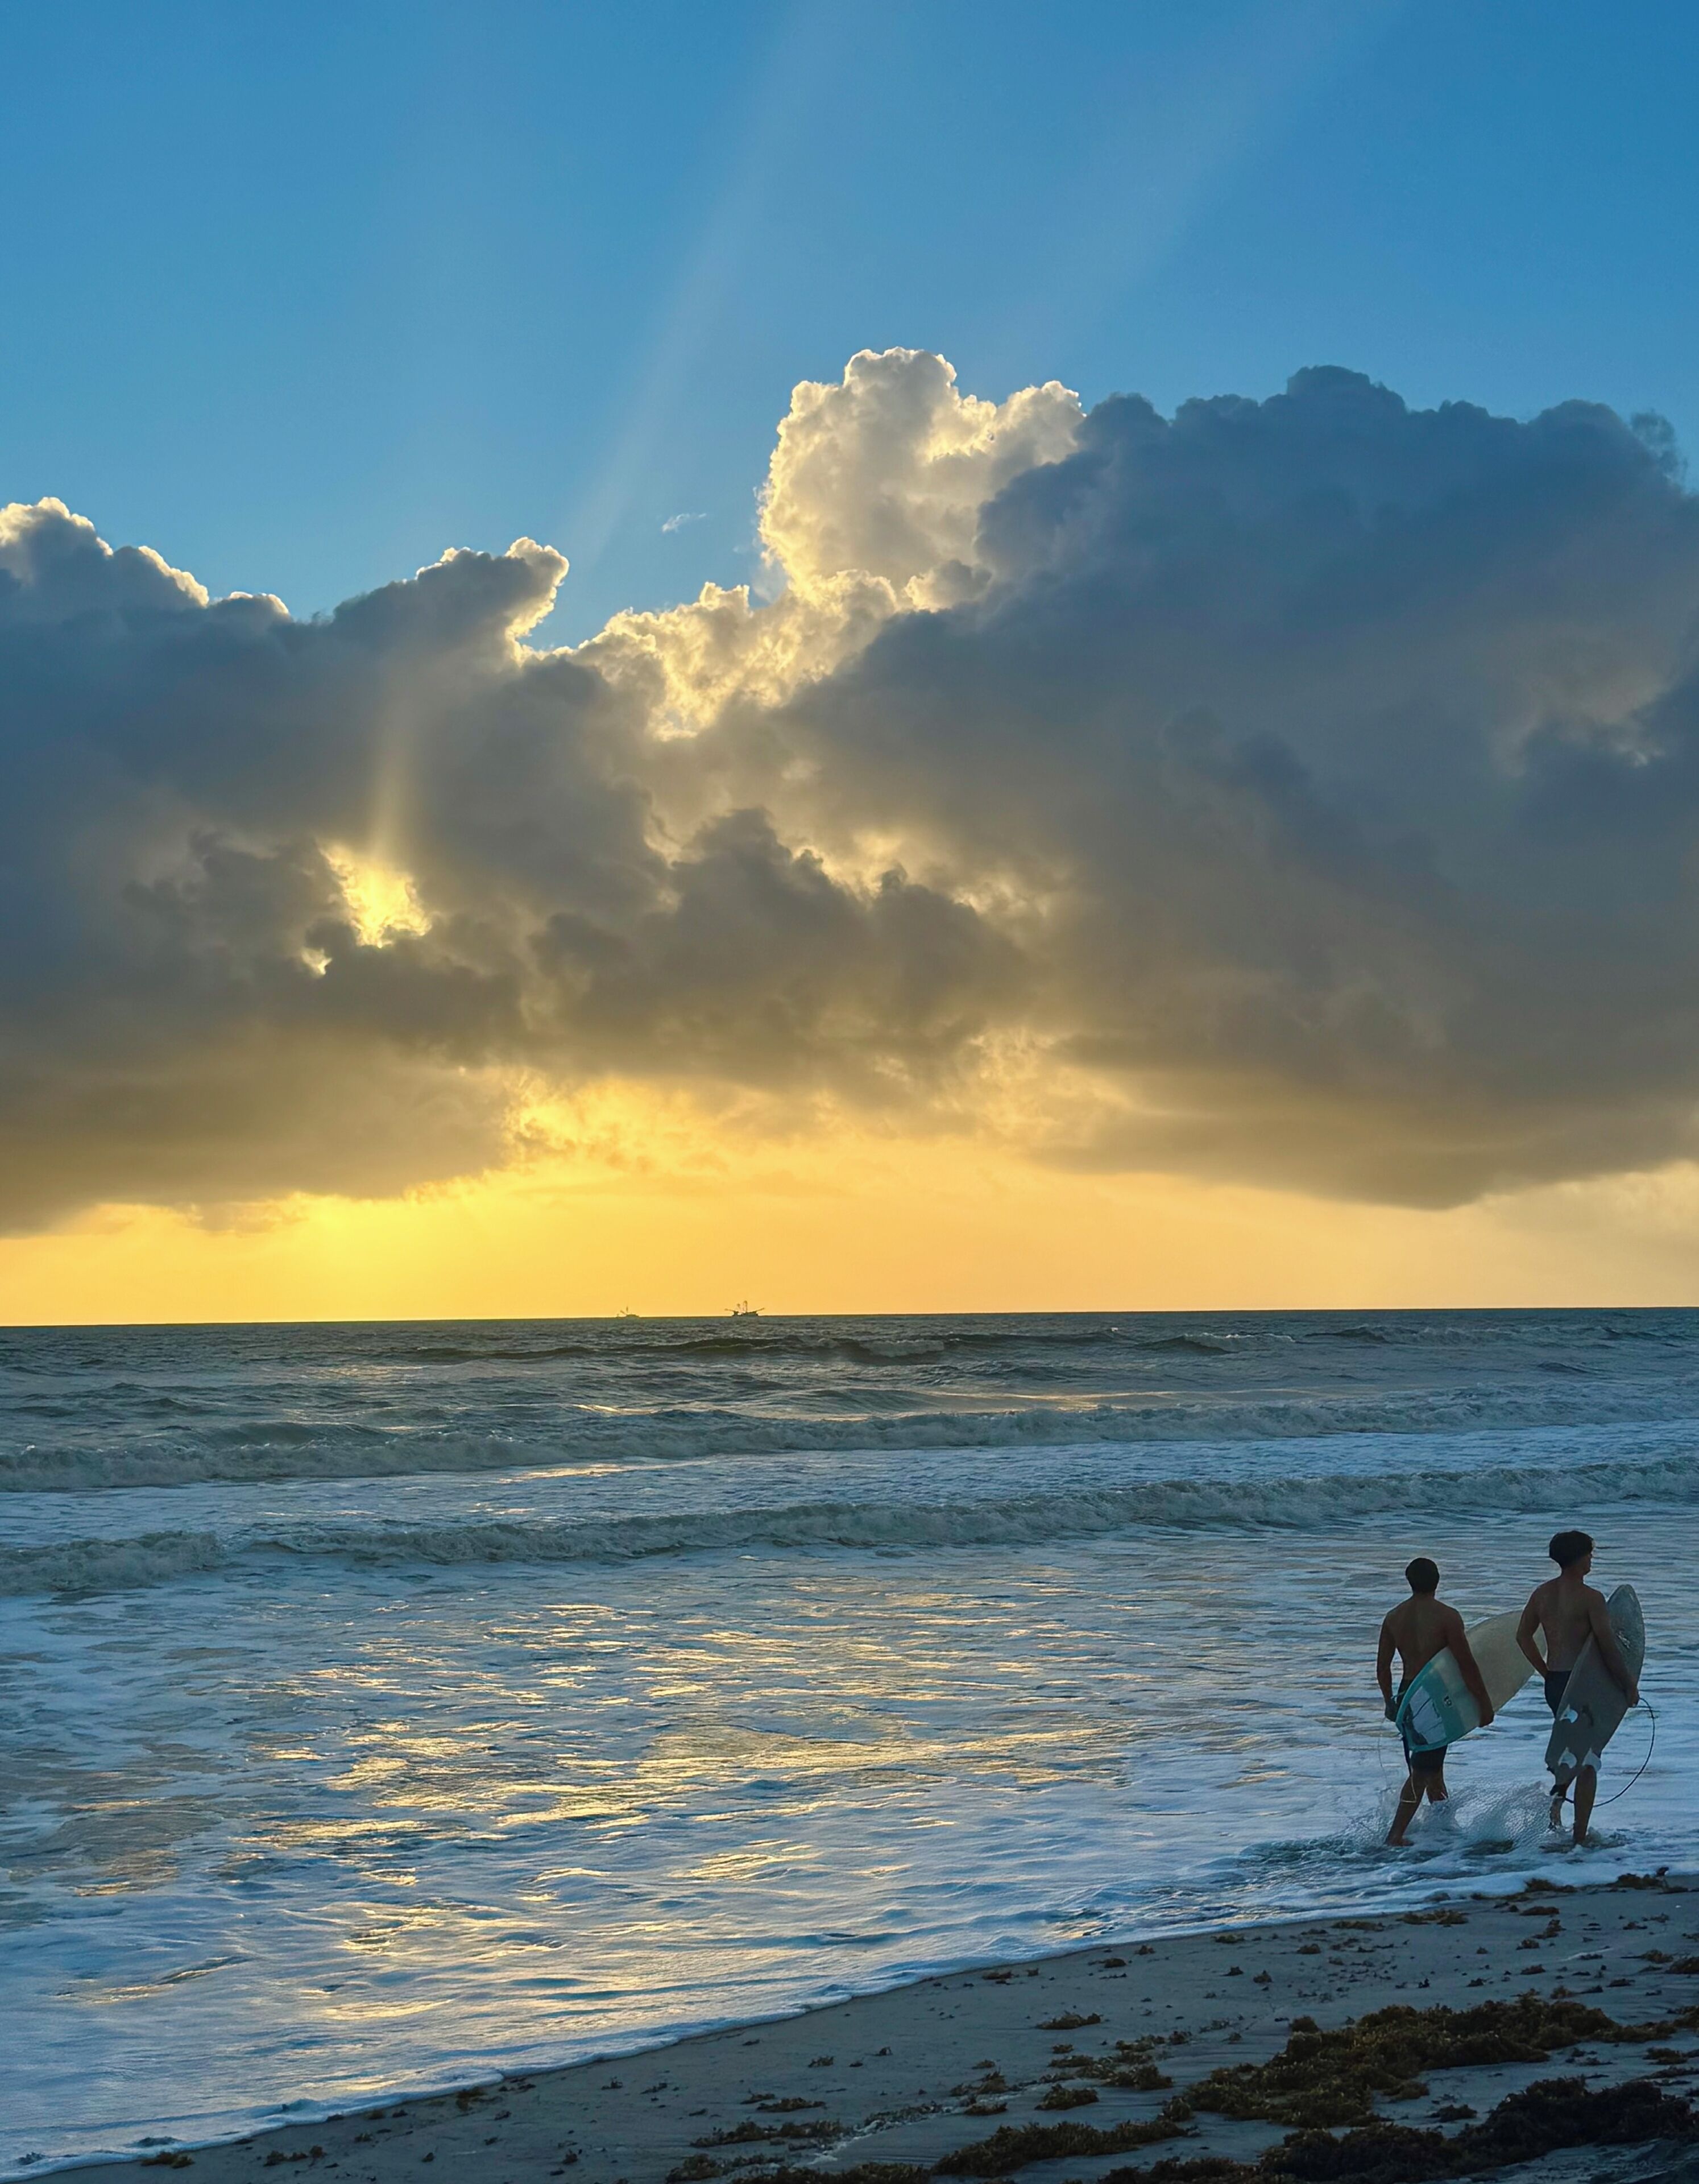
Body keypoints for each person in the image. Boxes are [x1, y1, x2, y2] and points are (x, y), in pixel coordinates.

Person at [1516, 1529, 1638, 1846]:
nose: (1591, 1560)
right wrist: (1628, 1684)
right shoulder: (1591, 1598)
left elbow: (1522, 1637)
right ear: (1578, 1558)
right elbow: (1608, 1647)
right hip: (1585, 1686)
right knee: (1589, 1760)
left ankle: (1555, 1811)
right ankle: (1580, 1837)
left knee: (1572, 1748)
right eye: (1589, 1555)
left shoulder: (1542, 1594)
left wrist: (1545, 1671)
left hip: (1557, 1683)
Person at [1377, 1557, 1494, 1847]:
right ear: (1438, 1580)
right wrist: (1483, 1702)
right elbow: (1466, 1664)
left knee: (1432, 1766)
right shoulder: (1447, 1617)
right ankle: (1395, 1835)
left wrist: (1389, 1702)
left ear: (1409, 1581)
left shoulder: (1394, 1617)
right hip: (1433, 1697)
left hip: (1408, 1693)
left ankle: (1443, 1828)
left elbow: (1382, 1667)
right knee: (1422, 1771)